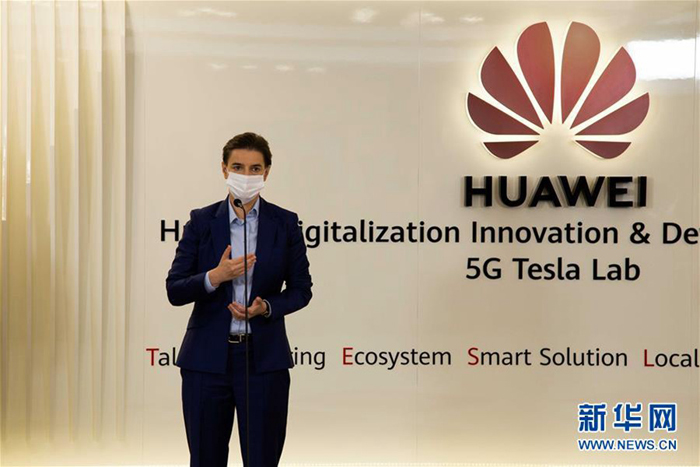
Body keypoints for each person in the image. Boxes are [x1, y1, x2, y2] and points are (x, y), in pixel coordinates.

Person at [165, 131, 313, 467]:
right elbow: (175, 289)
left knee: (262, 459)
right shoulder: (201, 221)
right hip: (206, 361)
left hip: (264, 361)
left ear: (266, 173)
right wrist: (215, 276)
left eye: (255, 168)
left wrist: (266, 307)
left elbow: (302, 289)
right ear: (224, 169)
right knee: (206, 459)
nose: (246, 175)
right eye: (238, 167)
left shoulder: (285, 223)